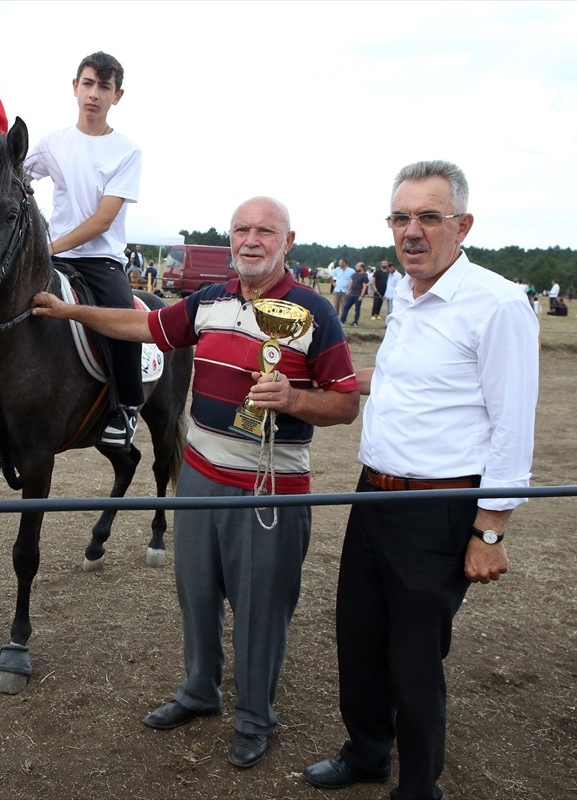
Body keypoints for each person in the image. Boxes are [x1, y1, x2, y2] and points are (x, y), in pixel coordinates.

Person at [32, 196, 360, 770]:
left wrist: (295, 399)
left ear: (288, 240)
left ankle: (256, 717)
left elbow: (346, 402)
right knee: (198, 593)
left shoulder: (315, 312)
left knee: (261, 609)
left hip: (269, 491)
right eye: (241, 230)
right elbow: (143, 325)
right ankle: (200, 691)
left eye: (265, 231)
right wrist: (71, 314)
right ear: (230, 239)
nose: (251, 240)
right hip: (201, 480)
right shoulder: (208, 301)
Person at [302, 160, 539, 800]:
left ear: (462, 225)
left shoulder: (497, 304)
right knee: (357, 636)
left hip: (439, 508)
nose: (412, 231)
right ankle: (369, 752)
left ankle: (418, 787)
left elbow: (512, 428)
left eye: (428, 217)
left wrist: (489, 531)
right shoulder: (406, 293)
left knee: (413, 659)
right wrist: (316, 386)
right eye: (401, 217)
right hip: (372, 493)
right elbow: (413, 386)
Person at [0, 51, 145, 450]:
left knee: (123, 321)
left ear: (117, 95)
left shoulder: (127, 152)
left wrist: (50, 246)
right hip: (52, 256)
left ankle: (126, 406)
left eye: (104, 87)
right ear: (75, 87)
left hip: (99, 260)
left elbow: (102, 220)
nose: (94, 94)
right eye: (88, 83)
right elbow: (1, 180)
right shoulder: (52, 143)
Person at [339, 261, 369, 327]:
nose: (356, 267)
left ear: (362, 267)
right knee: (346, 307)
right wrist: (348, 291)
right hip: (351, 295)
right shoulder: (354, 275)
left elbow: (364, 287)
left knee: (357, 309)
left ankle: (355, 322)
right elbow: (351, 283)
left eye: (357, 266)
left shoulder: (365, 276)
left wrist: (361, 296)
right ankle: (342, 321)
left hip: (358, 295)